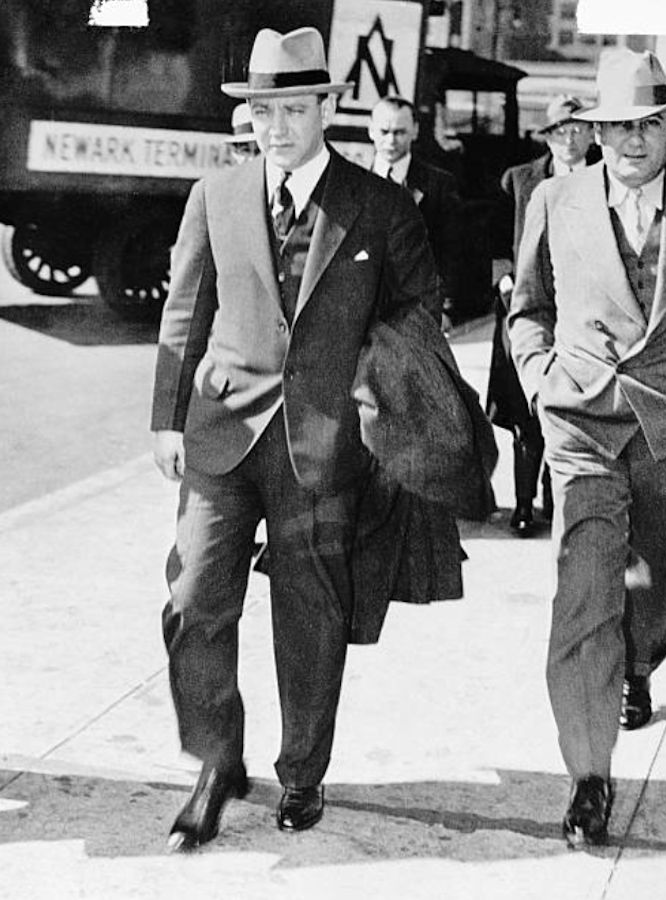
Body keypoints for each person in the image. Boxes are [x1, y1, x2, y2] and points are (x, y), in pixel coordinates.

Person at [151, 27, 455, 853]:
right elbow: (187, 312)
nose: (275, 125)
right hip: (221, 434)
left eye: (292, 108)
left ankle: (301, 772)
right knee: (193, 600)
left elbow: (419, 312)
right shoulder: (215, 194)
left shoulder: (381, 206)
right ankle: (217, 762)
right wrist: (164, 420)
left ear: (327, 107)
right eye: (261, 109)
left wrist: (375, 401)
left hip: (325, 447)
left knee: (310, 612)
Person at [508, 49, 666, 847]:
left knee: (654, 579)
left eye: (648, 124)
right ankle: (589, 775)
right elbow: (528, 307)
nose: (631, 141)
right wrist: (538, 379)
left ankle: (643, 659)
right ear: (593, 130)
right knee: (582, 590)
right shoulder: (555, 199)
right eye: (616, 126)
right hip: (582, 423)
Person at [486, 95, 596, 537]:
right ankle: (524, 505)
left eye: (576, 129)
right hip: (525, 314)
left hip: (579, 316)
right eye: (559, 131)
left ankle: (558, 501)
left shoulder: (605, 180)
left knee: (568, 409)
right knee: (523, 412)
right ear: (547, 137)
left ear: (592, 133)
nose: (568, 138)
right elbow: (495, 246)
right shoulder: (519, 181)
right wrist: (509, 286)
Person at [368, 95, 461, 328]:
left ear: (415, 131)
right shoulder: (351, 183)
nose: (391, 140)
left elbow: (451, 251)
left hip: (419, 312)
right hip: (364, 312)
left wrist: (445, 308)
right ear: (370, 131)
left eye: (400, 132)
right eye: (384, 131)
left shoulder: (439, 185)